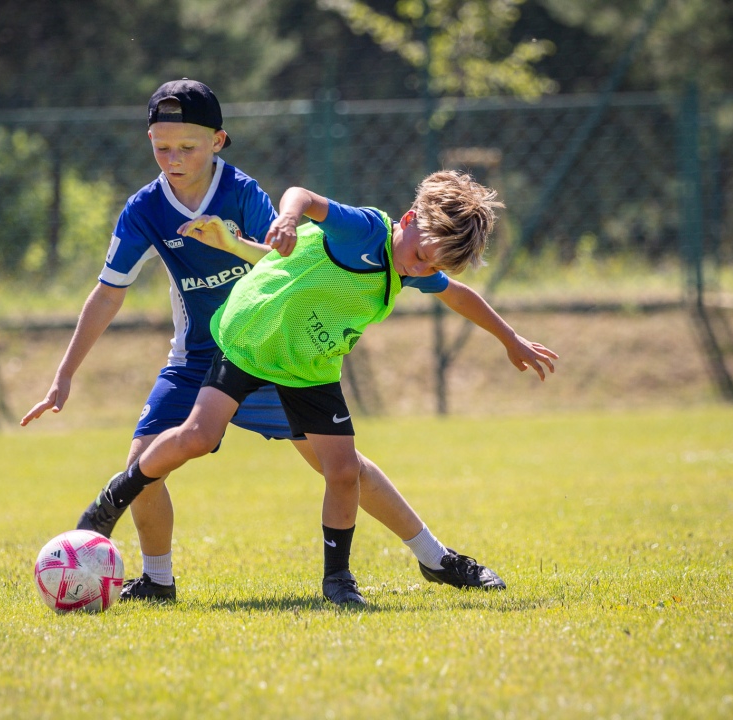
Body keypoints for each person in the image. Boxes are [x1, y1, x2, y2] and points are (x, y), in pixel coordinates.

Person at [74, 167, 559, 606]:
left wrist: (510, 339)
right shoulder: (365, 229)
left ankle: (339, 579)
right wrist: (287, 219)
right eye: (420, 257)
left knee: (343, 471)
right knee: (199, 436)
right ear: (409, 220)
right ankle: (116, 495)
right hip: (254, 338)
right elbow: (303, 196)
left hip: (309, 366)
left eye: (433, 267)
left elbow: (457, 294)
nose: (420, 270)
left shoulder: (412, 267)